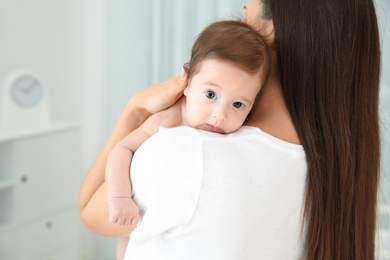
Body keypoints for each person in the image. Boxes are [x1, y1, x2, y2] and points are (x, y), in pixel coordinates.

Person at [78, 0, 381, 259]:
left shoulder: (188, 152)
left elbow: (90, 210)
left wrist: (136, 108)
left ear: (273, 27)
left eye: (243, 15)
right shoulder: (340, 168)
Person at [105, 20, 271, 259]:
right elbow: (121, 150)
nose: (220, 114)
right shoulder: (166, 120)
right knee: (126, 240)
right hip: (136, 211)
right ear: (187, 83)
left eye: (238, 104)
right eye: (211, 94)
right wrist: (119, 198)